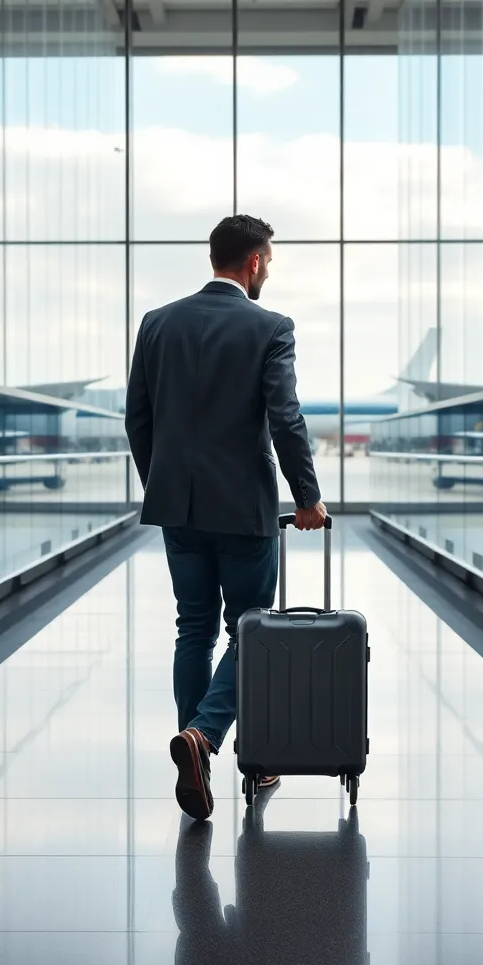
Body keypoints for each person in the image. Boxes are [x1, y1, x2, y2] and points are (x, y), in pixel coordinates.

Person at [125, 214, 326, 821]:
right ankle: (209, 740)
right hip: (243, 508)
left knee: (194, 629)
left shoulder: (157, 324)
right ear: (255, 263)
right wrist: (307, 496)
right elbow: (285, 419)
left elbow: (139, 419)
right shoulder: (270, 327)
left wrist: (161, 483)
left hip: (177, 506)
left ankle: (196, 751)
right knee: (250, 632)